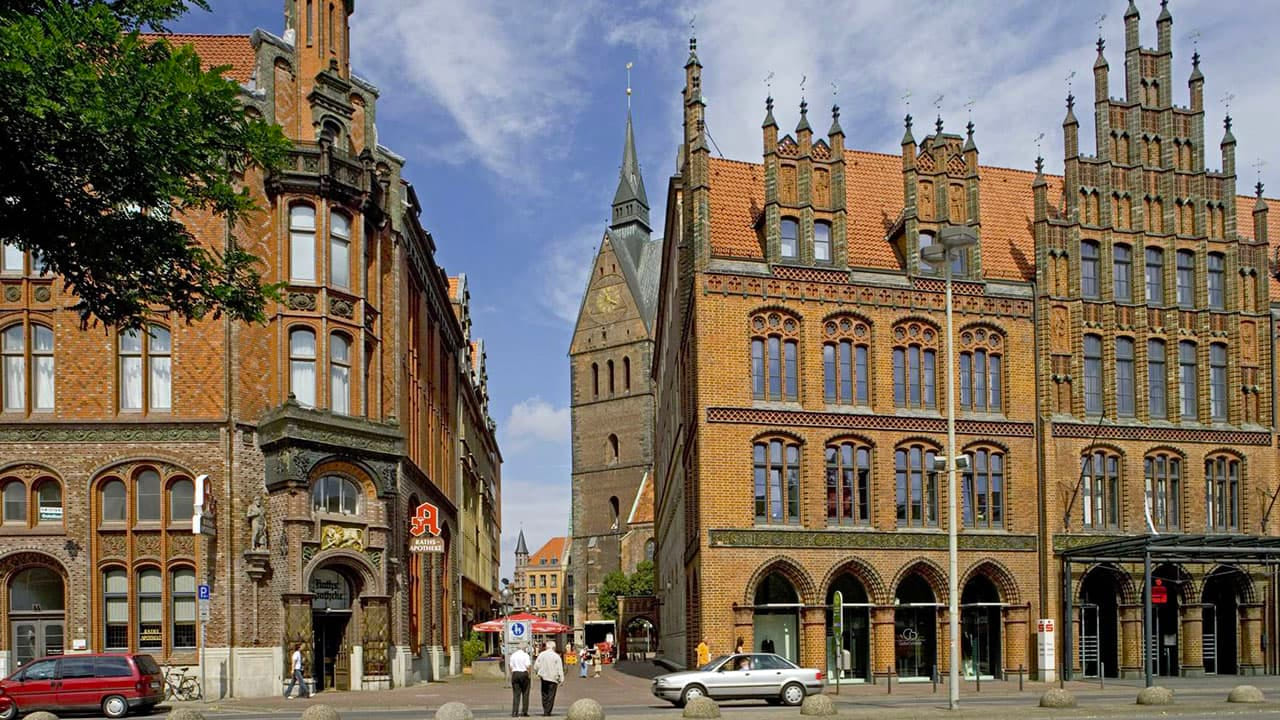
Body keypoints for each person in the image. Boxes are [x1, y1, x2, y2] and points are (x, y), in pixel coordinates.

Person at [534, 640, 565, 716]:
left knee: (544, 694)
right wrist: (561, 679)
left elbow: (536, 666)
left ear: (546, 647)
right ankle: (548, 711)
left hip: (544, 677)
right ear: (553, 647)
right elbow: (560, 669)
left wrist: (538, 672)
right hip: (553, 678)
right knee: (551, 695)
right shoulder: (556, 656)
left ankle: (545, 709)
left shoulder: (541, 654)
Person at [509, 644, 532, 717]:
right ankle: (524, 711)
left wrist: (512, 673)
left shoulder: (513, 655)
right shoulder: (526, 655)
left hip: (515, 673)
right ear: (524, 648)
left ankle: (515, 712)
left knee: (516, 694)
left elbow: (510, 666)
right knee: (525, 693)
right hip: (524, 673)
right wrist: (529, 675)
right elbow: (528, 666)